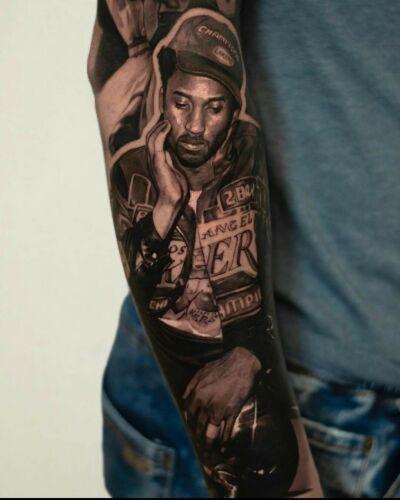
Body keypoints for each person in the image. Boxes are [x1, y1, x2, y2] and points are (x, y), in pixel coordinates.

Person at [89, 0, 400, 498]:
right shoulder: (140, 172)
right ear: (162, 95)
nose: (194, 126)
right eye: (181, 103)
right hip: (283, 403)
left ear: (231, 108)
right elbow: (156, 284)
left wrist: (246, 355)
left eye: (214, 108)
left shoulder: (242, 153)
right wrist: (167, 206)